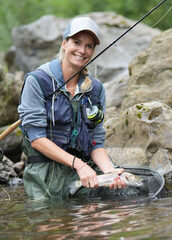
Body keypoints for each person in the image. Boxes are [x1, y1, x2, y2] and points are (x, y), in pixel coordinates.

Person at [18, 17, 126, 200]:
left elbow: (95, 141)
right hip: (45, 177)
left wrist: (110, 171)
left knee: (101, 224)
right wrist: (79, 165)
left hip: (85, 173)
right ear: (64, 44)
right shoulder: (37, 81)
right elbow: (36, 139)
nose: (82, 50)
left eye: (89, 46)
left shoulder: (96, 89)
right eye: (77, 42)